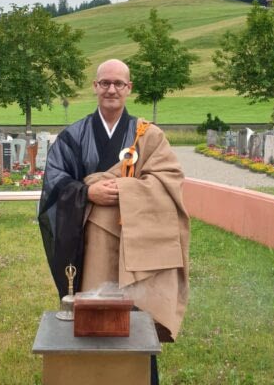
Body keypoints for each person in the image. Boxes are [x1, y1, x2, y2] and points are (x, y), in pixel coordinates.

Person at [39, 59, 190, 384]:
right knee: (93, 318)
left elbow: (170, 179)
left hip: (136, 248)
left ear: (128, 88)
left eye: (118, 83)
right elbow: (54, 181)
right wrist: (87, 192)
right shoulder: (73, 136)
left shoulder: (149, 136)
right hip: (91, 246)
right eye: (105, 82)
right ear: (95, 86)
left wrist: (124, 189)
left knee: (135, 322)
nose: (111, 89)